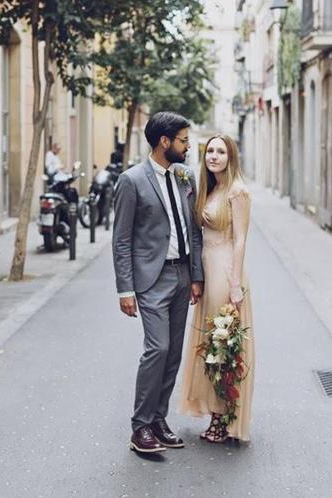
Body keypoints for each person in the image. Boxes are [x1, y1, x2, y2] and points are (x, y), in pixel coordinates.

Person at [112, 111, 204, 454]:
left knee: (174, 353)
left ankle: (158, 419)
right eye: (183, 140)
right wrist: (125, 288)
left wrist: (196, 276)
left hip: (182, 275)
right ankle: (140, 426)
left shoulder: (184, 176)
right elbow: (121, 239)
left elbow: (193, 229)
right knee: (158, 348)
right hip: (151, 278)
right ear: (164, 142)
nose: (188, 145)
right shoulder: (131, 180)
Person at [180, 133, 254, 443]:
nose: (214, 156)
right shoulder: (212, 188)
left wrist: (235, 285)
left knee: (221, 347)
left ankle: (223, 418)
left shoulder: (237, 191)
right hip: (208, 272)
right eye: (210, 150)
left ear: (231, 156)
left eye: (221, 151)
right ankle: (215, 413)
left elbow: (240, 241)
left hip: (225, 274)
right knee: (210, 345)